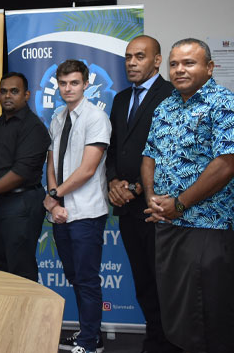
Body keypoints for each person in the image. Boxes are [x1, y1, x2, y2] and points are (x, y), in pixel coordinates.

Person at [142, 38, 234, 353]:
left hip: (207, 226)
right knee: (178, 313)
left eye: (189, 63)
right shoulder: (165, 106)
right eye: (174, 64)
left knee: (206, 315)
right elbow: (149, 155)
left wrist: (180, 204)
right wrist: (152, 198)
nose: (179, 69)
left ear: (209, 67)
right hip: (168, 225)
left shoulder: (223, 103)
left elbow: (226, 163)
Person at [105, 36, 179, 352]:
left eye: (139, 56)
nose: (131, 63)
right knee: (144, 282)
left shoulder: (172, 95)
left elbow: (171, 152)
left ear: (157, 61)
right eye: (128, 57)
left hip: (158, 208)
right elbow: (113, 148)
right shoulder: (121, 99)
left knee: (166, 283)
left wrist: (136, 186)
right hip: (127, 209)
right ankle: (154, 341)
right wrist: (112, 182)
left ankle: (171, 344)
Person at [44, 60, 111, 353]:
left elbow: (87, 169)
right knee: (75, 277)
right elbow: (51, 162)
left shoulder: (96, 117)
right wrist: (54, 201)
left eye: (74, 83)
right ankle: (89, 333)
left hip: (86, 213)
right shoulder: (58, 117)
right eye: (63, 83)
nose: (68, 88)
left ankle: (89, 342)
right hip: (61, 213)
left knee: (86, 279)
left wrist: (54, 195)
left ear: (85, 84)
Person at [0, 72, 49, 281]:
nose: (8, 96)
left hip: (21, 204)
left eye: (14, 91)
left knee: (20, 271)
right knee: (0, 269)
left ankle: (27, 306)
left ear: (26, 95)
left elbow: (21, 172)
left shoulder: (33, 127)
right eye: (3, 91)